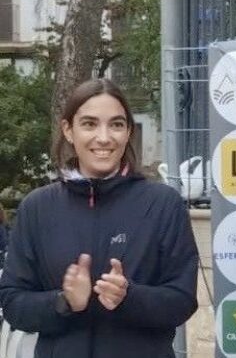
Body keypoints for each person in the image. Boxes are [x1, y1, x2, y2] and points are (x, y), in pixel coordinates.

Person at [0, 79, 199, 358]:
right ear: (68, 130)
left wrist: (128, 297)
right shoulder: (37, 207)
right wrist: (64, 302)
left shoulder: (163, 204)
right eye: (90, 124)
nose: (104, 138)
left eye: (116, 124)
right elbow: (13, 303)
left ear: (129, 131)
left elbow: (182, 301)